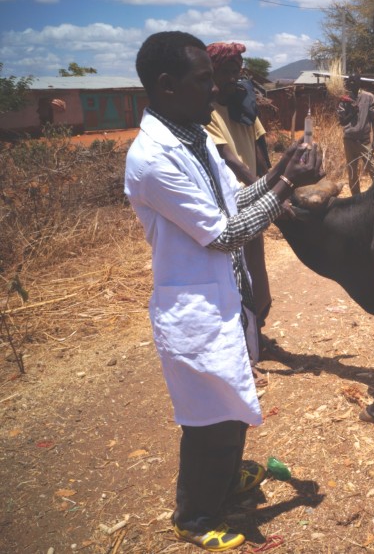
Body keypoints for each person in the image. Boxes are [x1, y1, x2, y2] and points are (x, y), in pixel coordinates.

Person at [125, 31, 323, 552]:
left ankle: (225, 480)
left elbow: (237, 198)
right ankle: (193, 516)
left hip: (224, 300)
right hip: (195, 309)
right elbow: (224, 233)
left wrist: (282, 168)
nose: (215, 92)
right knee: (208, 421)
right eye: (204, 81)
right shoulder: (152, 158)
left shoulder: (192, 138)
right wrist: (286, 188)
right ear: (166, 86)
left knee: (232, 405)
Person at [204, 42, 273, 365]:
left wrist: (274, 182)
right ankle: (244, 346)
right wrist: (271, 191)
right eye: (229, 71)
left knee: (258, 279)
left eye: (238, 71)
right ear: (212, 72)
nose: (235, 78)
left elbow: (259, 153)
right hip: (232, 205)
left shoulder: (242, 105)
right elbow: (232, 161)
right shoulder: (207, 112)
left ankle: (257, 333)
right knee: (238, 278)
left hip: (253, 199)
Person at [337, 75, 374, 194]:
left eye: (353, 81)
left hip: (364, 140)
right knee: (352, 171)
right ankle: (356, 197)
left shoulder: (369, 97)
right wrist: (352, 113)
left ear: (359, 83)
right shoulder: (345, 100)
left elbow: (373, 119)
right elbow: (342, 122)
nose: (351, 84)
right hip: (349, 140)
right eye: (349, 82)